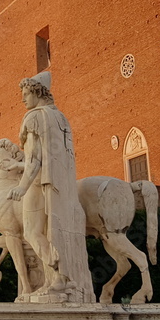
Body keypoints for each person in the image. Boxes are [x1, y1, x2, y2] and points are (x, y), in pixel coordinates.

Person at [7, 72, 94, 302]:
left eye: (25, 94)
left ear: (37, 92)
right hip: (60, 186)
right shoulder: (60, 118)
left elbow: (35, 159)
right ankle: (56, 279)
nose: (23, 100)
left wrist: (22, 187)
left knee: (32, 232)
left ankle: (57, 276)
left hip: (37, 183)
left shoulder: (34, 117)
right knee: (52, 230)